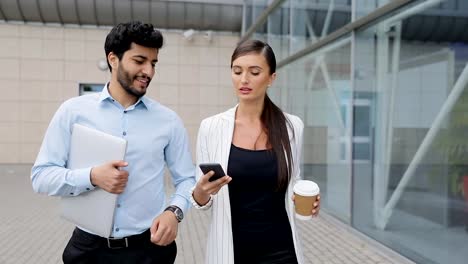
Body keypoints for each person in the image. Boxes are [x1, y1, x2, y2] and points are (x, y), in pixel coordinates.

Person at [31, 21, 195, 264]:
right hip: (88, 250)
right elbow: (41, 177)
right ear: (113, 59)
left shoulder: (168, 121)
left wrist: (174, 213)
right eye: (140, 61)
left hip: (149, 251)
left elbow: (186, 180)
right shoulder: (72, 112)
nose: (148, 71)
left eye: (153, 63)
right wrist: (91, 177)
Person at [191, 40, 321, 264]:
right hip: (231, 251)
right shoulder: (211, 127)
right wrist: (201, 192)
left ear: (271, 78)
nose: (244, 79)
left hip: (282, 250)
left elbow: (293, 181)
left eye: (254, 72)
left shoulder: (292, 126)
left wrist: (307, 199)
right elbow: (201, 200)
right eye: (237, 71)